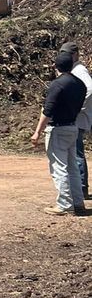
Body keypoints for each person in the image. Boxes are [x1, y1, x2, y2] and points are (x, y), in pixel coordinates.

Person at [31, 53, 87, 216]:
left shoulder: (57, 85)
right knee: (72, 167)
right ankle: (78, 202)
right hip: (73, 127)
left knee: (59, 167)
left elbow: (48, 110)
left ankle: (63, 204)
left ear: (56, 67)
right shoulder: (80, 84)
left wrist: (37, 132)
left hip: (58, 129)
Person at [59, 40, 91, 199]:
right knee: (74, 153)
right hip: (76, 117)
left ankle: (82, 187)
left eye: (67, 54)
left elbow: (90, 89)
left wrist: (77, 107)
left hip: (78, 118)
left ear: (75, 55)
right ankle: (79, 187)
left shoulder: (79, 70)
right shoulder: (74, 70)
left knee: (76, 153)